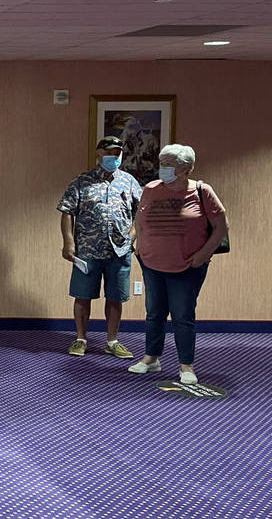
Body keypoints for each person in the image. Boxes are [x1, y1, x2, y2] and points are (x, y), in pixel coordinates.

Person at [128, 144, 228, 385]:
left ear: (185, 168)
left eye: (168, 164)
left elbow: (221, 227)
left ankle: (186, 366)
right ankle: (151, 358)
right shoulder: (151, 189)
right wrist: (138, 243)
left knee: (182, 315)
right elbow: (140, 219)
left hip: (187, 265)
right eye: (161, 163)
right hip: (152, 262)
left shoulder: (202, 191)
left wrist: (203, 254)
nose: (162, 168)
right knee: (154, 312)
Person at [57, 135, 144, 358]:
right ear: (98, 156)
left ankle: (112, 341)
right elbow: (67, 211)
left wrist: (132, 238)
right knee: (82, 295)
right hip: (87, 250)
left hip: (119, 250)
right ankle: (80, 338)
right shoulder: (82, 181)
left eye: (117, 154)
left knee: (115, 297)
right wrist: (68, 242)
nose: (113, 158)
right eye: (109, 154)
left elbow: (142, 214)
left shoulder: (130, 182)